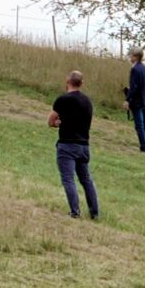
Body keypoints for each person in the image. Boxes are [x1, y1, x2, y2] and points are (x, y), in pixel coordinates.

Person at [48, 70, 99, 219]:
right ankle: (94, 212)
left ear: (67, 81)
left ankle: (75, 212)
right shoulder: (87, 102)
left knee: (68, 179)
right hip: (84, 145)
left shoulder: (63, 100)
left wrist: (57, 123)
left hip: (67, 145)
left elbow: (51, 121)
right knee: (86, 180)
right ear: (81, 83)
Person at [123, 47, 145, 153]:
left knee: (139, 125)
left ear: (135, 57)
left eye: (131, 55)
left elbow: (135, 87)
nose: (129, 57)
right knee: (144, 125)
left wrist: (128, 99)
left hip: (138, 101)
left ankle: (144, 147)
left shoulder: (135, 69)